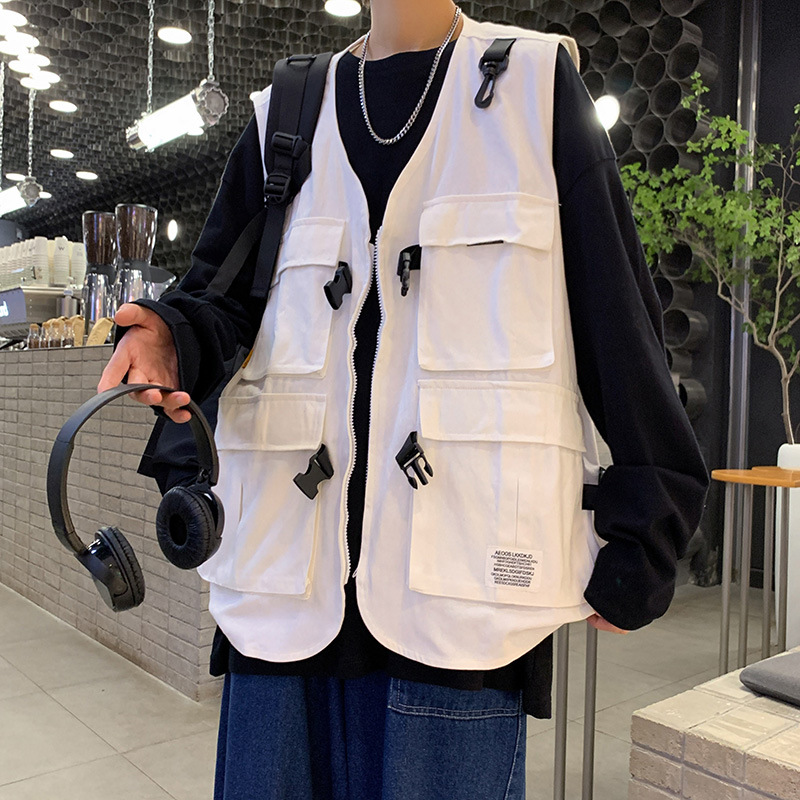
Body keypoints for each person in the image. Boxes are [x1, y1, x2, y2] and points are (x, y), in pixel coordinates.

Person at [98, 1, 709, 797]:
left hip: (462, 605)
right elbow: (221, 295)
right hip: (283, 592)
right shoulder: (287, 110)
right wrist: (170, 337)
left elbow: (617, 317)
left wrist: (648, 528)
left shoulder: (536, 88)